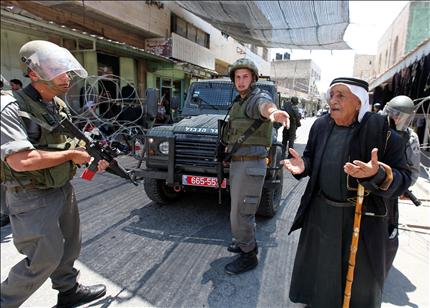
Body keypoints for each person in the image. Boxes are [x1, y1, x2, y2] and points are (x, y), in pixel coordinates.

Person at [282, 77, 411, 307]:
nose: (333, 100)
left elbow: (404, 178)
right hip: (321, 215)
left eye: (341, 95)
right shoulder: (321, 125)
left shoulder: (383, 131)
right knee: (320, 276)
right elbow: (311, 157)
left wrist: (377, 174)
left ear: (359, 102)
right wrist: (304, 167)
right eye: (332, 95)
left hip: (362, 220)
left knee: (358, 285)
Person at [1, 40, 109, 308]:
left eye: (66, 69)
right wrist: (72, 156)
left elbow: (70, 142)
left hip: (61, 187)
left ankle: (68, 290)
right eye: (56, 69)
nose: (66, 76)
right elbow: (20, 160)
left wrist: (91, 157)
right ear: (34, 73)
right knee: (42, 258)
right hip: (30, 194)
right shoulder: (10, 108)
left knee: (69, 246)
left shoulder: (56, 105)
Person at [222, 58, 289, 275]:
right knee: (238, 210)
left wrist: (273, 113)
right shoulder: (240, 100)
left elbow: (264, 106)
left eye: (245, 77)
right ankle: (244, 242)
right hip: (239, 164)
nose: (241, 81)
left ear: (252, 79)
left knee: (242, 212)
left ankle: (248, 255)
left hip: (250, 166)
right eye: (238, 77)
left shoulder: (256, 98)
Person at [382, 95, 421, 189]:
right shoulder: (375, 129)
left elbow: (413, 168)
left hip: (392, 184)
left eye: (400, 116)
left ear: (408, 118)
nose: (396, 118)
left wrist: (403, 187)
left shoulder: (410, 137)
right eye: (393, 114)